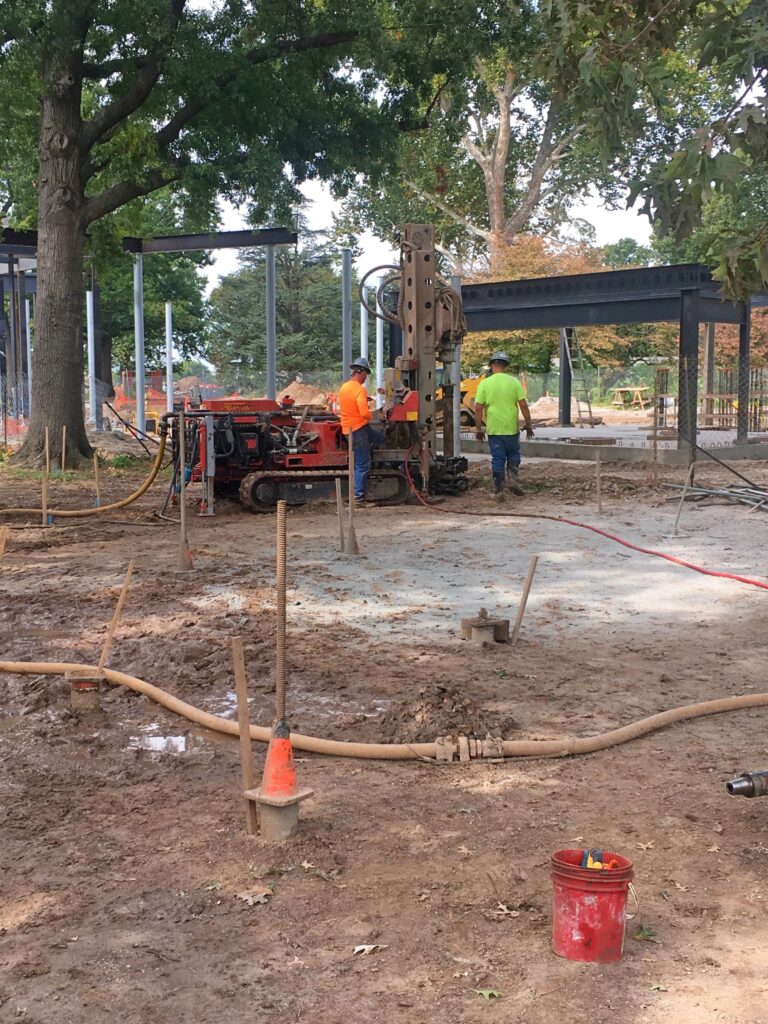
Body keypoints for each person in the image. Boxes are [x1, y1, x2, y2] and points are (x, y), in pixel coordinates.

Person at [474, 351, 534, 500]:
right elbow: (523, 405)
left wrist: (478, 429)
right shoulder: (514, 382)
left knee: (498, 458)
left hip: (495, 430)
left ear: (492, 365)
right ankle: (513, 480)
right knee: (514, 454)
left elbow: (478, 408)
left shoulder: (484, 384)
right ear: (505, 366)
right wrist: (528, 424)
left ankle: (498, 490)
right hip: (511, 428)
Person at [337, 357, 384, 507]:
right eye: (366, 374)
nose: (366, 378)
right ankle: (358, 499)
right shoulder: (359, 389)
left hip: (348, 428)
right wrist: (376, 415)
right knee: (362, 464)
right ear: (361, 372)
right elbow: (364, 413)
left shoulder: (345, 387)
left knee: (380, 438)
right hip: (358, 429)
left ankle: (384, 459)